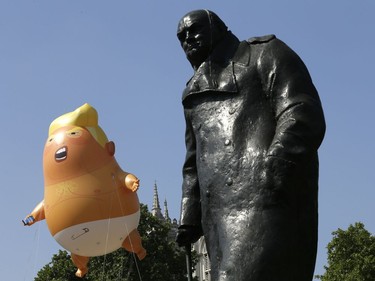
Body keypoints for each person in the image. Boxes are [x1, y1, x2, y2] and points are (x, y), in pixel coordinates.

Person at [175, 9, 326, 281]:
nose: (188, 39)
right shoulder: (192, 93)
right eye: (182, 37)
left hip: (265, 201)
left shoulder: (266, 53)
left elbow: (301, 111)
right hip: (217, 217)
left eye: (195, 30)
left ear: (218, 28)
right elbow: (193, 159)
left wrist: (274, 167)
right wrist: (189, 214)